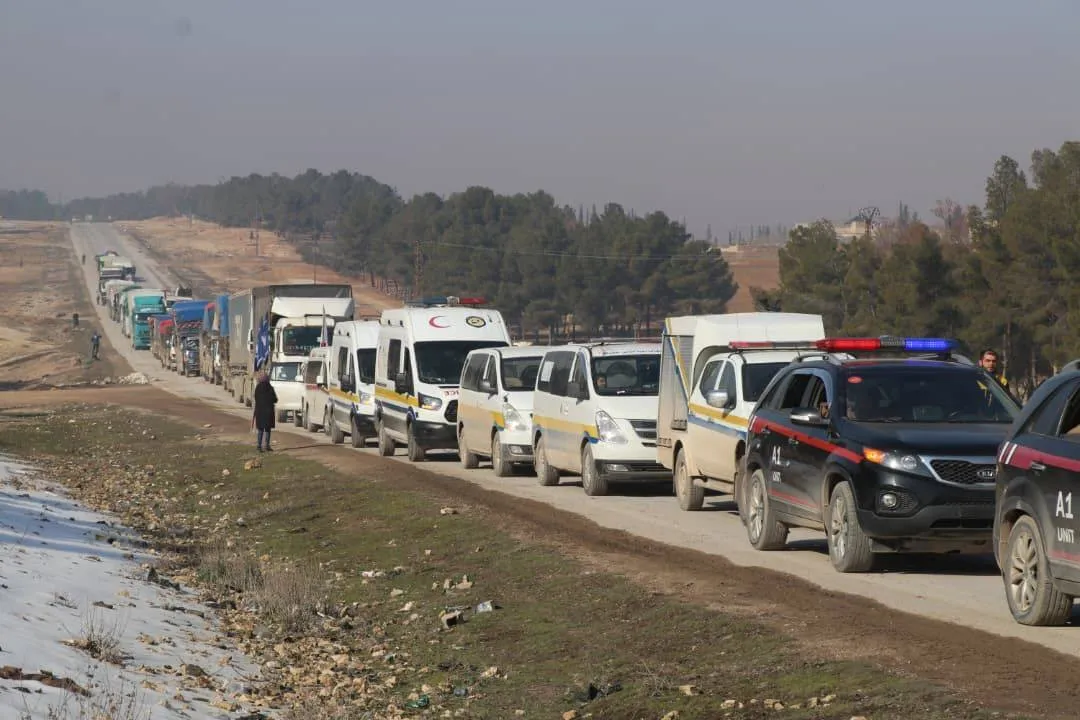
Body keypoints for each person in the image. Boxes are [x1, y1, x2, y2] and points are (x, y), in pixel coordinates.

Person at [252, 371, 278, 452]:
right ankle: (267, 446)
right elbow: (275, 399)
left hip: (259, 411)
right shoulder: (270, 388)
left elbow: (255, 398)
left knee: (260, 430)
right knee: (267, 430)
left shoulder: (258, 388)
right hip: (269, 412)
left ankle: (259, 446)